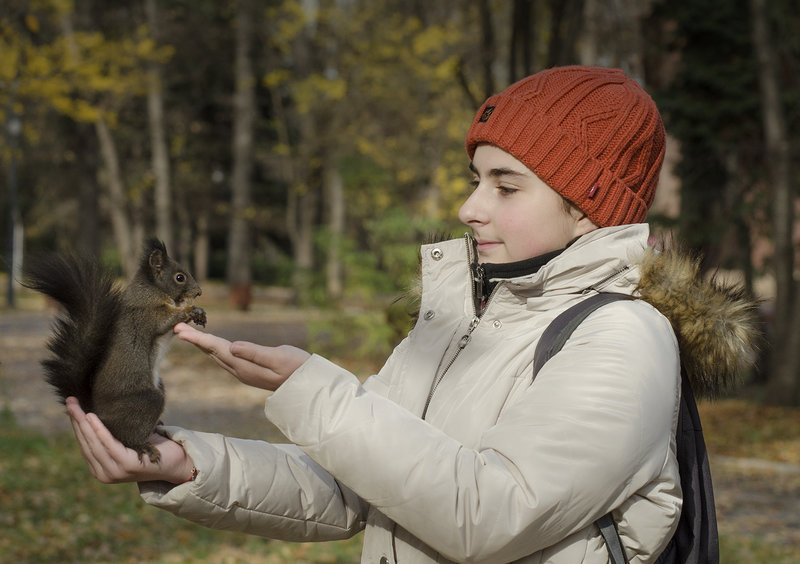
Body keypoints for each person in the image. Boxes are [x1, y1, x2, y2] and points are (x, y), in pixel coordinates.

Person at [66, 65, 758, 563]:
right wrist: (188, 464)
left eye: (506, 186)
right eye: (475, 180)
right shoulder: (463, 320)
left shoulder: (624, 336)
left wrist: (312, 390)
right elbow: (359, 485)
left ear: (587, 208)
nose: (469, 207)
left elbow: (487, 513)